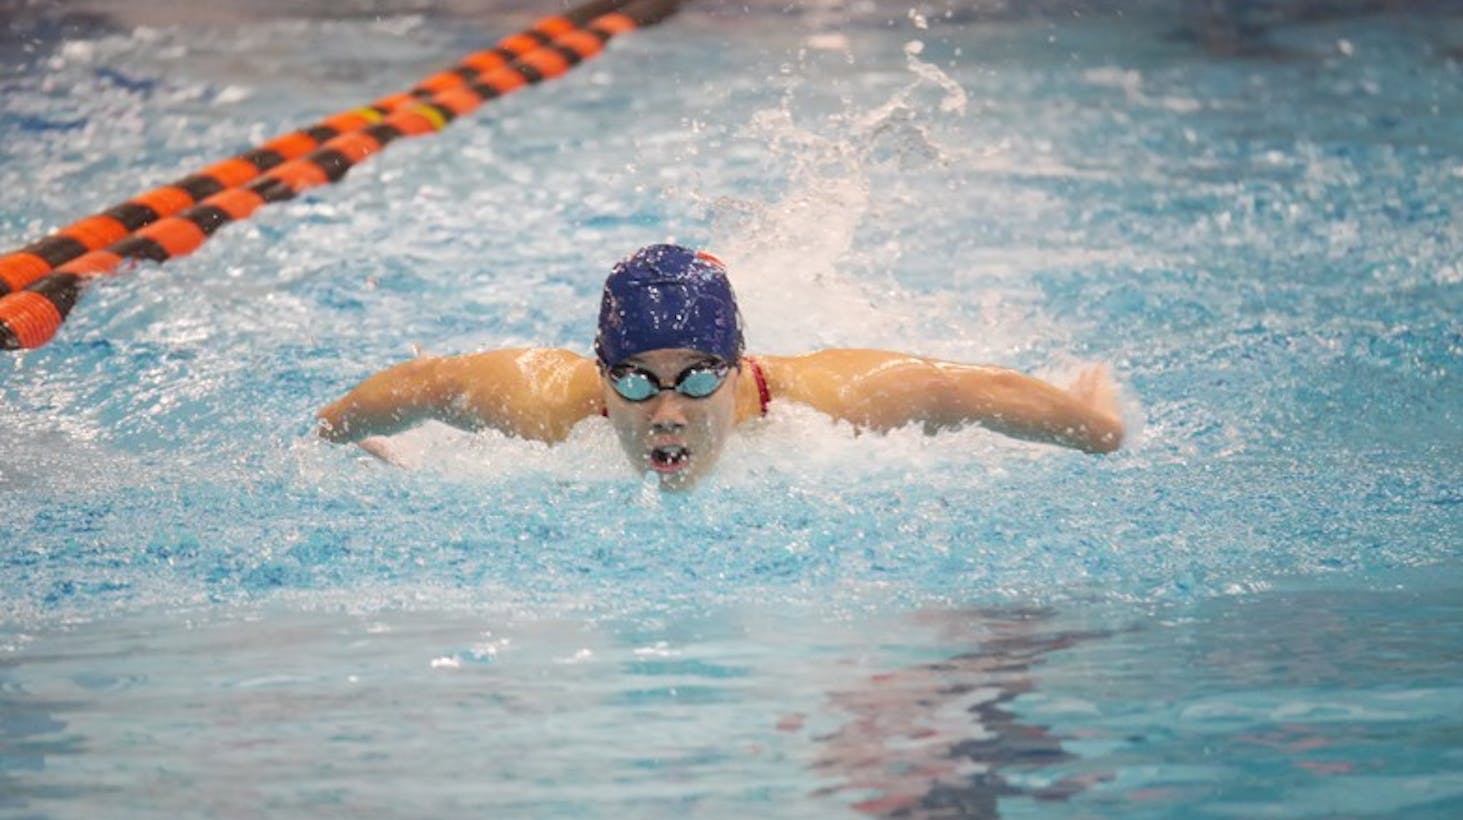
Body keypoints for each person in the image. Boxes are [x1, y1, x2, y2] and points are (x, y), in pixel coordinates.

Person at [316, 244, 1124, 489]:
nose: (667, 411)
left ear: (740, 372)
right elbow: (431, 385)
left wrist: (1098, 427)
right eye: (634, 379)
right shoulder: (546, 402)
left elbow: (971, 389)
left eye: (699, 376)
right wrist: (342, 439)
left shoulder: (832, 403)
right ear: (600, 376)